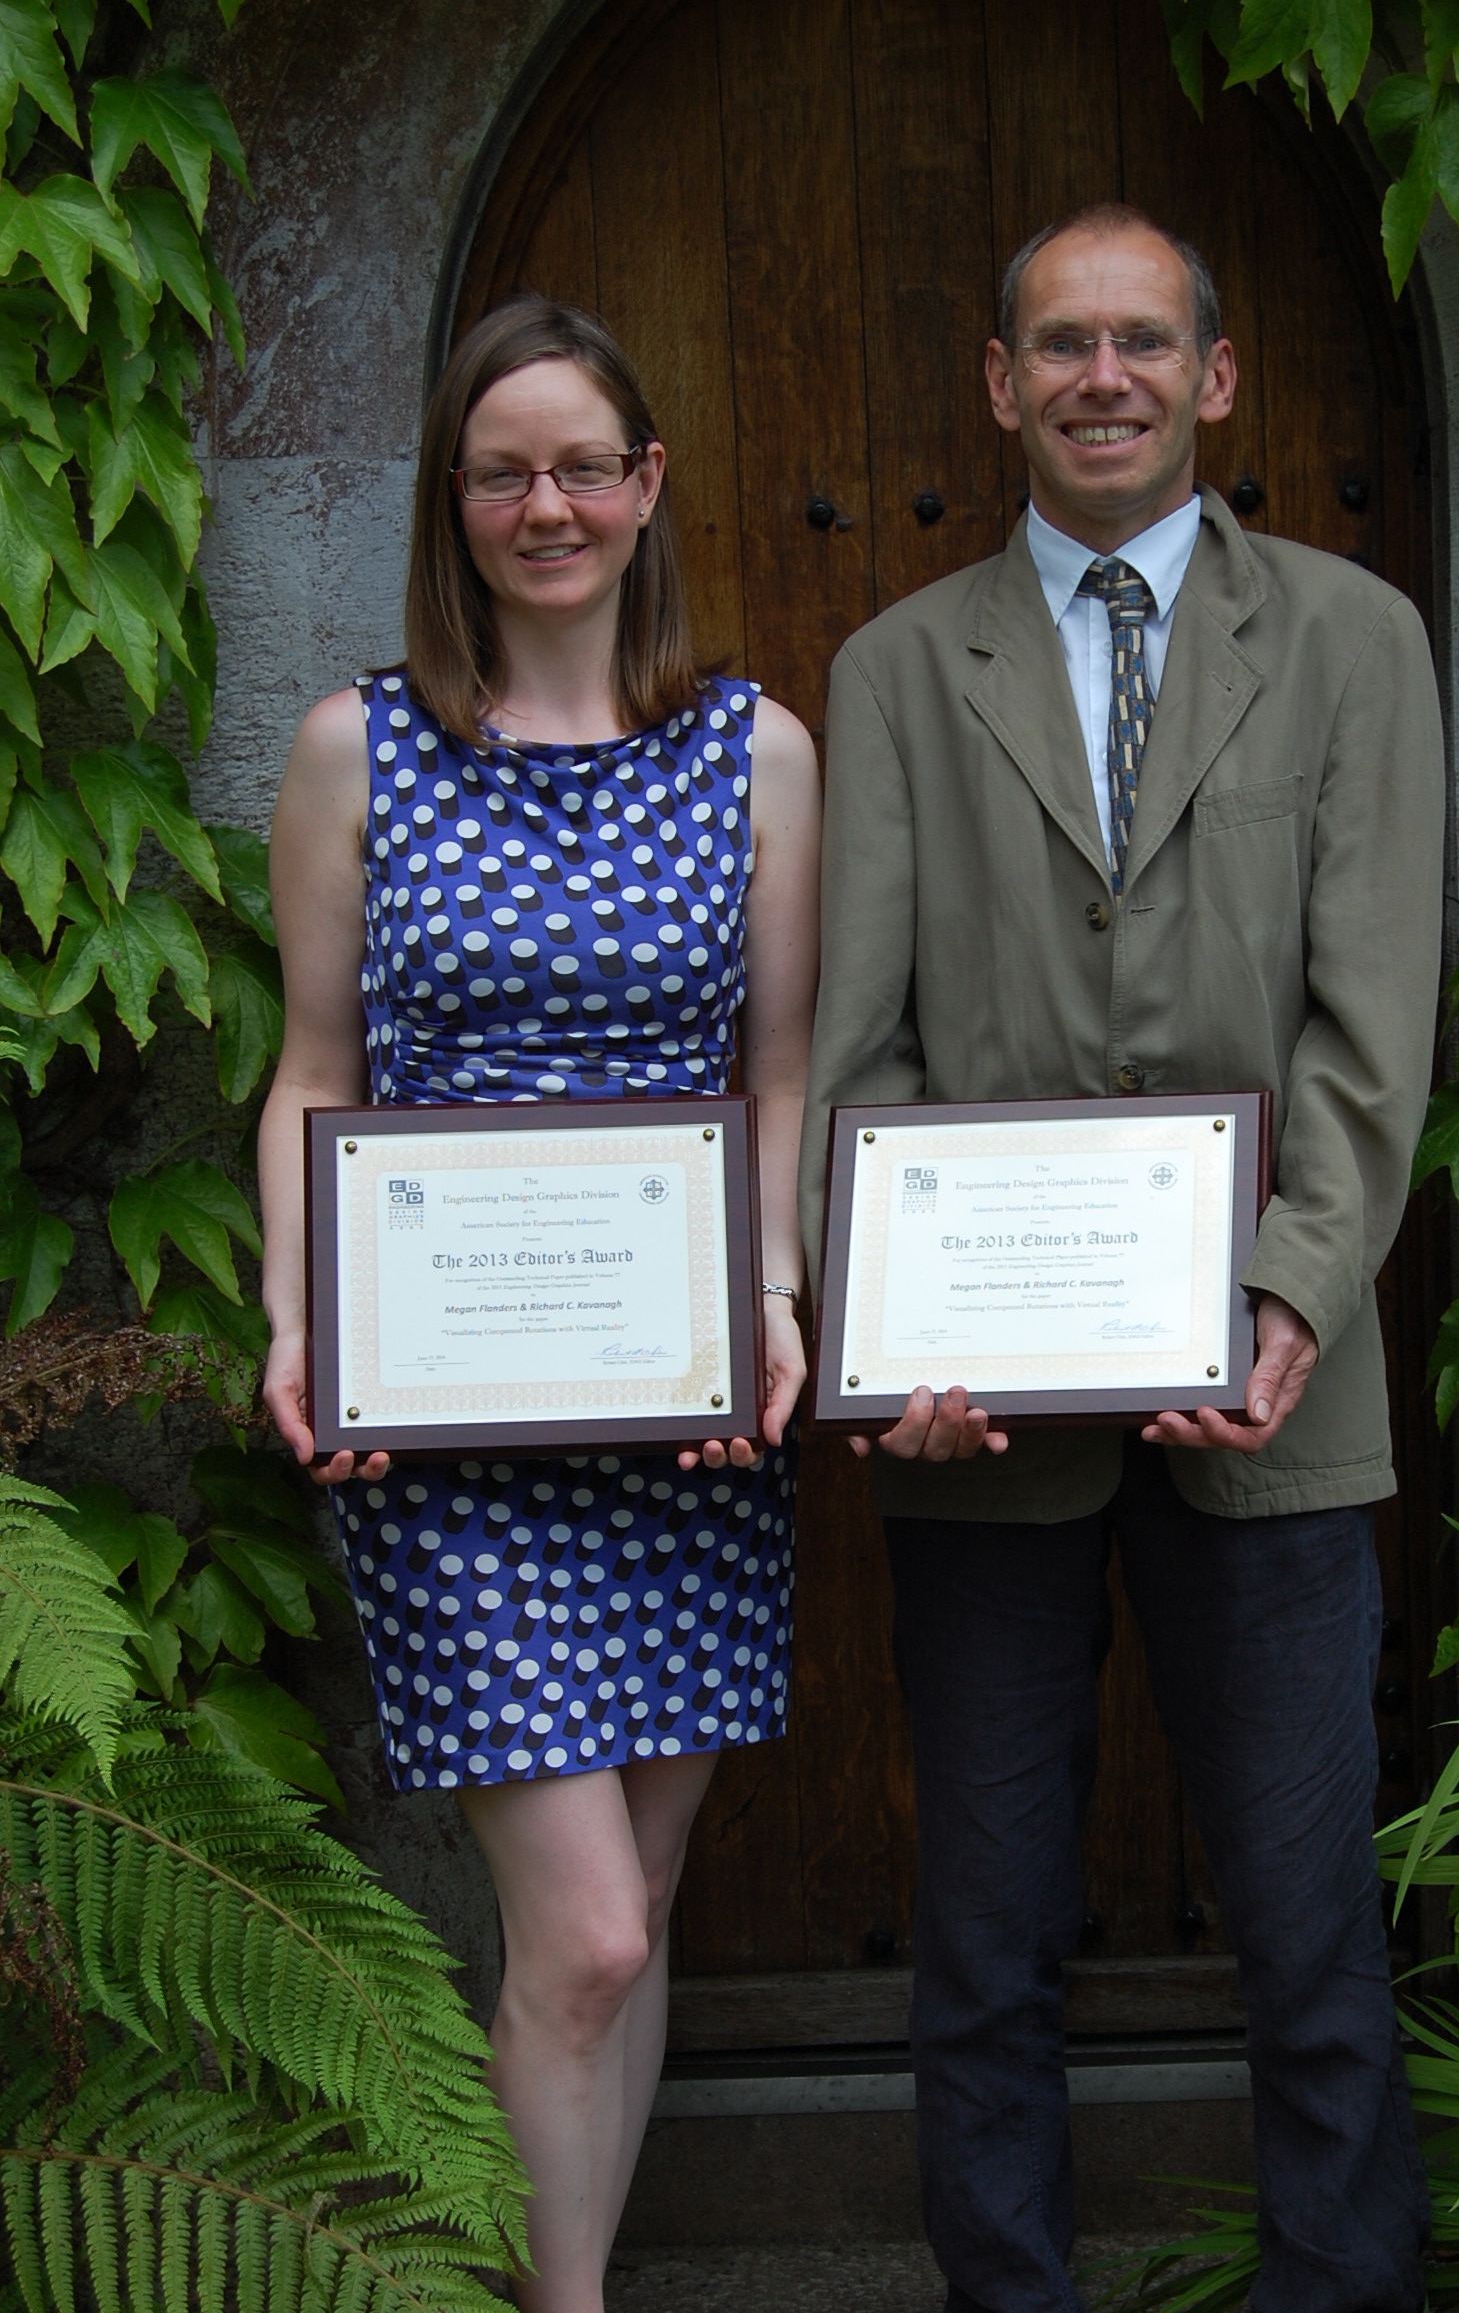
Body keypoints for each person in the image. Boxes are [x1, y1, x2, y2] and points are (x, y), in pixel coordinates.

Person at [802, 204, 1444, 2313]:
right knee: (985, 1930)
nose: (1102, 375)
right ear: (999, 382)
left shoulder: (1352, 641)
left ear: (1215, 376)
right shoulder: (900, 666)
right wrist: (891, 1343)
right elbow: (859, 1042)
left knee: (1306, 1923)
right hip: (978, 1425)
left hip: (1278, 1388)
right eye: (1060, 342)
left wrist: (1285, 1292)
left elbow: (1373, 1028)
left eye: (1141, 341)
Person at [258, 296, 821, 2313]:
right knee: (579, 1931)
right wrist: (294, 1311)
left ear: (647, 483)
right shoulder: (359, 747)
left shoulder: (754, 753)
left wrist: (766, 1290)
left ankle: (568, 2269)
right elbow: (316, 1069)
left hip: (682, 1423)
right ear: (454, 502)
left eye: (583, 462)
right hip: (452, 1422)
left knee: (637, 1911)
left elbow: (776, 1068)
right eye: (503, 470)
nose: (546, 503)